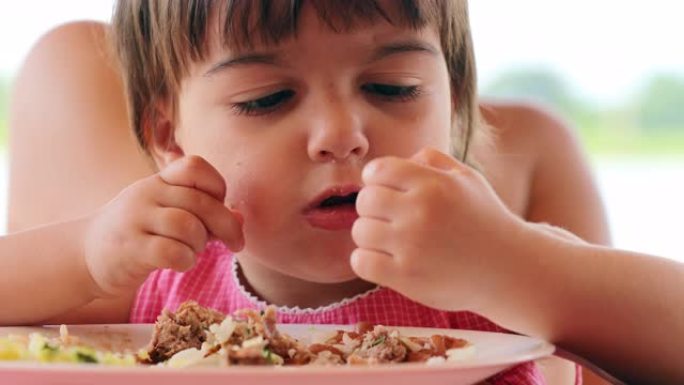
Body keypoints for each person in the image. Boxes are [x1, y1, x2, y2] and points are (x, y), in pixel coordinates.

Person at [4, 1, 614, 384]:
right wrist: (84, 252)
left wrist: (517, 266)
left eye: (393, 87)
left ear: (453, 104)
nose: (341, 136)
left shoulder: (482, 280)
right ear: (169, 135)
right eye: (267, 100)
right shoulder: (171, 279)